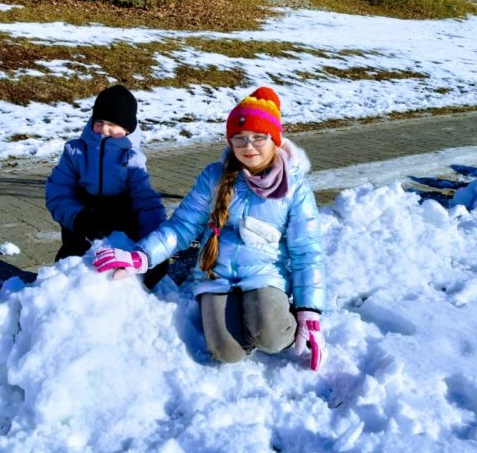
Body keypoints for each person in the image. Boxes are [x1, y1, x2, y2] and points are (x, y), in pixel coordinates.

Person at [93, 87, 326, 370]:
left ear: (275, 139)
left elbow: (306, 251)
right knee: (225, 352)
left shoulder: (294, 187)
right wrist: (142, 256)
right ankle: (244, 317)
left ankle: (266, 316)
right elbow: (182, 227)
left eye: (258, 138)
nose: (248, 147)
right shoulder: (214, 177)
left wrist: (308, 311)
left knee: (272, 337)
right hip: (216, 273)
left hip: (265, 274)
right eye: (239, 138)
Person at [46, 84, 168, 289]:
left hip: (120, 224)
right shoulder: (75, 152)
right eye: (99, 121)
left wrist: (154, 245)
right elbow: (58, 192)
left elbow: (146, 202)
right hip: (83, 225)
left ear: (128, 128)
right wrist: (78, 217)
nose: (104, 129)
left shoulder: (131, 159)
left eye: (112, 124)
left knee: (126, 272)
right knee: (68, 272)